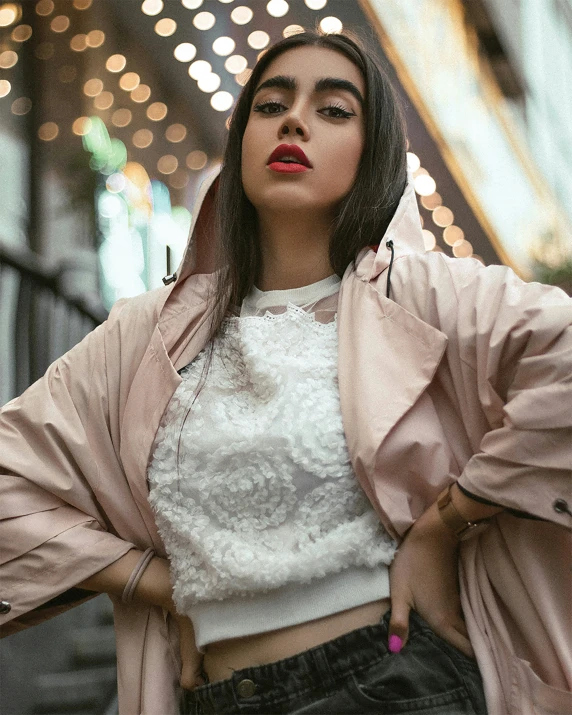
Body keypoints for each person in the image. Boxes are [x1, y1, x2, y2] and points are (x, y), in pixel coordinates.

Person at [0, 28, 570, 715]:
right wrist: (152, 581)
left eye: (334, 110)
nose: (294, 119)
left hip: (392, 679)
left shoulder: (424, 296)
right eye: (271, 105)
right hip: (213, 696)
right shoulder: (145, 335)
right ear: (241, 138)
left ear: (373, 152)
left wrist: (444, 525)